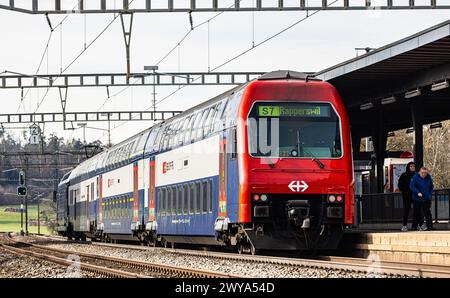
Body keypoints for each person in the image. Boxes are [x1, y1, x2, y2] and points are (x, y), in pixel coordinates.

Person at [410, 166, 434, 231]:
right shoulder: (415, 177)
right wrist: (417, 192)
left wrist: (429, 193)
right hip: (417, 198)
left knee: (427, 212)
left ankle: (430, 226)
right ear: (420, 172)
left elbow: (431, 186)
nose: (424, 174)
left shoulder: (428, 177)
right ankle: (414, 226)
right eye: (422, 173)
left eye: (425, 173)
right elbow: (412, 186)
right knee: (416, 212)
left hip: (426, 198)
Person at [398, 162, 416, 232]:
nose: (412, 167)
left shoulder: (416, 175)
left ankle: (417, 225)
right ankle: (404, 225)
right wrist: (405, 191)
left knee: (417, 210)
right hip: (407, 196)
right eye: (411, 166)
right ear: (408, 167)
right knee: (406, 210)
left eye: (413, 166)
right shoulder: (404, 175)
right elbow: (400, 185)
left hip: (415, 195)